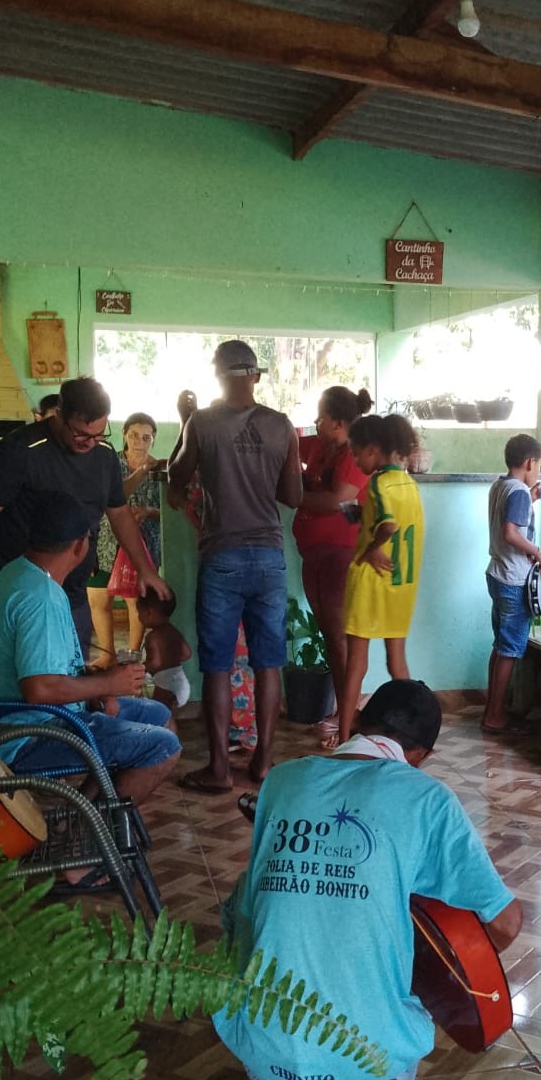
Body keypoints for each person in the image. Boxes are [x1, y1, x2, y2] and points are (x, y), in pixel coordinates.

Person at [214, 679, 523, 1080]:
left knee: (241, 907)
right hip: (367, 1037)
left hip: (267, 1026)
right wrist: (433, 966)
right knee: (403, 963)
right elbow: (505, 923)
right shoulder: (427, 797)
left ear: (354, 723)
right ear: (421, 755)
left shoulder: (282, 779)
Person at [0, 493, 181, 886]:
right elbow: (38, 688)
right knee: (162, 747)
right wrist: (107, 683)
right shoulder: (40, 599)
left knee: (160, 717)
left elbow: (46, 668)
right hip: (24, 734)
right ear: (82, 545)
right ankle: (81, 856)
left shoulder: (20, 572)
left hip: (34, 718)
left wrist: (95, 686)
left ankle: (77, 819)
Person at [167, 340, 302, 793]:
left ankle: (220, 769)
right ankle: (264, 762)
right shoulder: (282, 426)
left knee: (219, 667)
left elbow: (176, 476)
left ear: (218, 375)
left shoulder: (202, 423)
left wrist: (187, 423)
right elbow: (293, 497)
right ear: (257, 376)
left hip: (222, 555)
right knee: (268, 664)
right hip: (268, 556)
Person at [0, 377, 168, 656]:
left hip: (73, 593)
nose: (90, 443)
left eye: (99, 434)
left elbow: (120, 514)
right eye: (81, 435)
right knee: (25, 678)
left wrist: (145, 570)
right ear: (60, 415)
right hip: (22, 593)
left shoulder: (104, 456)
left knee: (72, 671)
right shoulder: (21, 450)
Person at [168, 386, 257, 756]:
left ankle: (235, 733)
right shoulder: (250, 465)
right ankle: (247, 732)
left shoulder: (203, 478)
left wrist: (186, 424)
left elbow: (175, 484)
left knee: (225, 655)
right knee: (250, 654)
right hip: (262, 564)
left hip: (221, 565)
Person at [337, 414, 424, 746]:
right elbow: (396, 522)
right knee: (397, 662)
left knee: (355, 666)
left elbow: (388, 527)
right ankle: (416, 733)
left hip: (372, 583)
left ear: (374, 450)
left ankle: (345, 736)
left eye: (357, 453)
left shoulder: (377, 484)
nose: (356, 460)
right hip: (401, 586)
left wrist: (370, 550)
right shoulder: (410, 485)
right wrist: (364, 516)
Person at [292, 386, 372, 748]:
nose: (316, 423)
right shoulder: (323, 448)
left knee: (340, 640)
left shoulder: (352, 455)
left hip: (341, 553)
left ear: (338, 423)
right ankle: (344, 714)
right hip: (316, 553)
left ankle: (348, 719)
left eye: (321, 418)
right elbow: (290, 442)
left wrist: (293, 496)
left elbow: (339, 501)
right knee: (330, 636)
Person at [87, 412, 165, 669]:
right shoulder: (111, 463)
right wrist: (141, 472)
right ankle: (107, 653)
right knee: (98, 598)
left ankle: (132, 654)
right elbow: (113, 496)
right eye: (134, 435)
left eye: (146, 437)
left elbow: (168, 511)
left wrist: (148, 512)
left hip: (142, 545)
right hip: (107, 542)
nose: (139, 442)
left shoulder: (160, 470)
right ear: (124, 435)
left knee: (135, 599)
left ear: (153, 439)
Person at [482, 433, 541, 735]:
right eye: (539, 465)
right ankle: (495, 715)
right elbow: (511, 532)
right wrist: (537, 552)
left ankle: (491, 709)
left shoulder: (501, 485)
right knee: (510, 649)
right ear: (529, 462)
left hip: (497, 573)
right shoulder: (518, 491)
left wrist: (530, 498)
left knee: (500, 645)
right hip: (514, 578)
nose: (539, 470)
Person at [137, 586, 192, 713]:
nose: (139, 618)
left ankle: (164, 733)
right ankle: (173, 733)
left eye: (139, 613)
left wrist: (142, 667)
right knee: (169, 717)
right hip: (181, 683)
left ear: (149, 613)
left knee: (161, 717)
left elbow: (156, 663)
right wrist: (171, 656)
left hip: (166, 685)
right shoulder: (174, 631)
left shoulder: (152, 637)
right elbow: (187, 654)